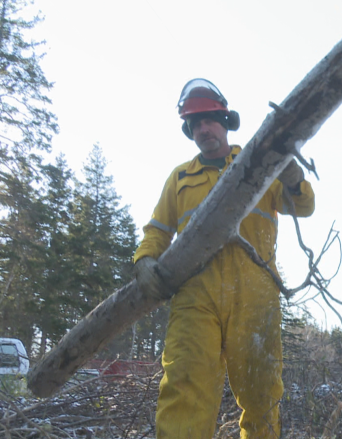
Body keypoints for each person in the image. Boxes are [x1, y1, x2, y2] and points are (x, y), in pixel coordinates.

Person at [132, 78, 315, 438]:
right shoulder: (180, 178)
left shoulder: (258, 162)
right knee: (184, 391)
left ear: (226, 120)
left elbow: (305, 207)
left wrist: (293, 176)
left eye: (209, 120)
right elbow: (156, 230)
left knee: (262, 396)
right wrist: (144, 260)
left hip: (255, 295)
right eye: (195, 124)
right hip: (195, 297)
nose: (203, 129)